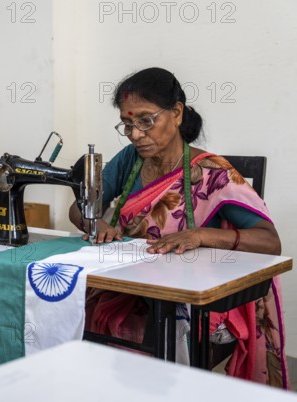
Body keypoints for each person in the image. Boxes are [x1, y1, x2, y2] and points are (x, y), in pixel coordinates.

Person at [69, 67, 287, 388]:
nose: (136, 134)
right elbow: (80, 207)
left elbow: (270, 242)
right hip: (131, 286)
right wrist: (96, 221)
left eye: (145, 121)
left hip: (194, 298)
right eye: (127, 124)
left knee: (143, 343)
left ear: (176, 114)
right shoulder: (129, 161)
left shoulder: (214, 173)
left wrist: (201, 235)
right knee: (60, 310)